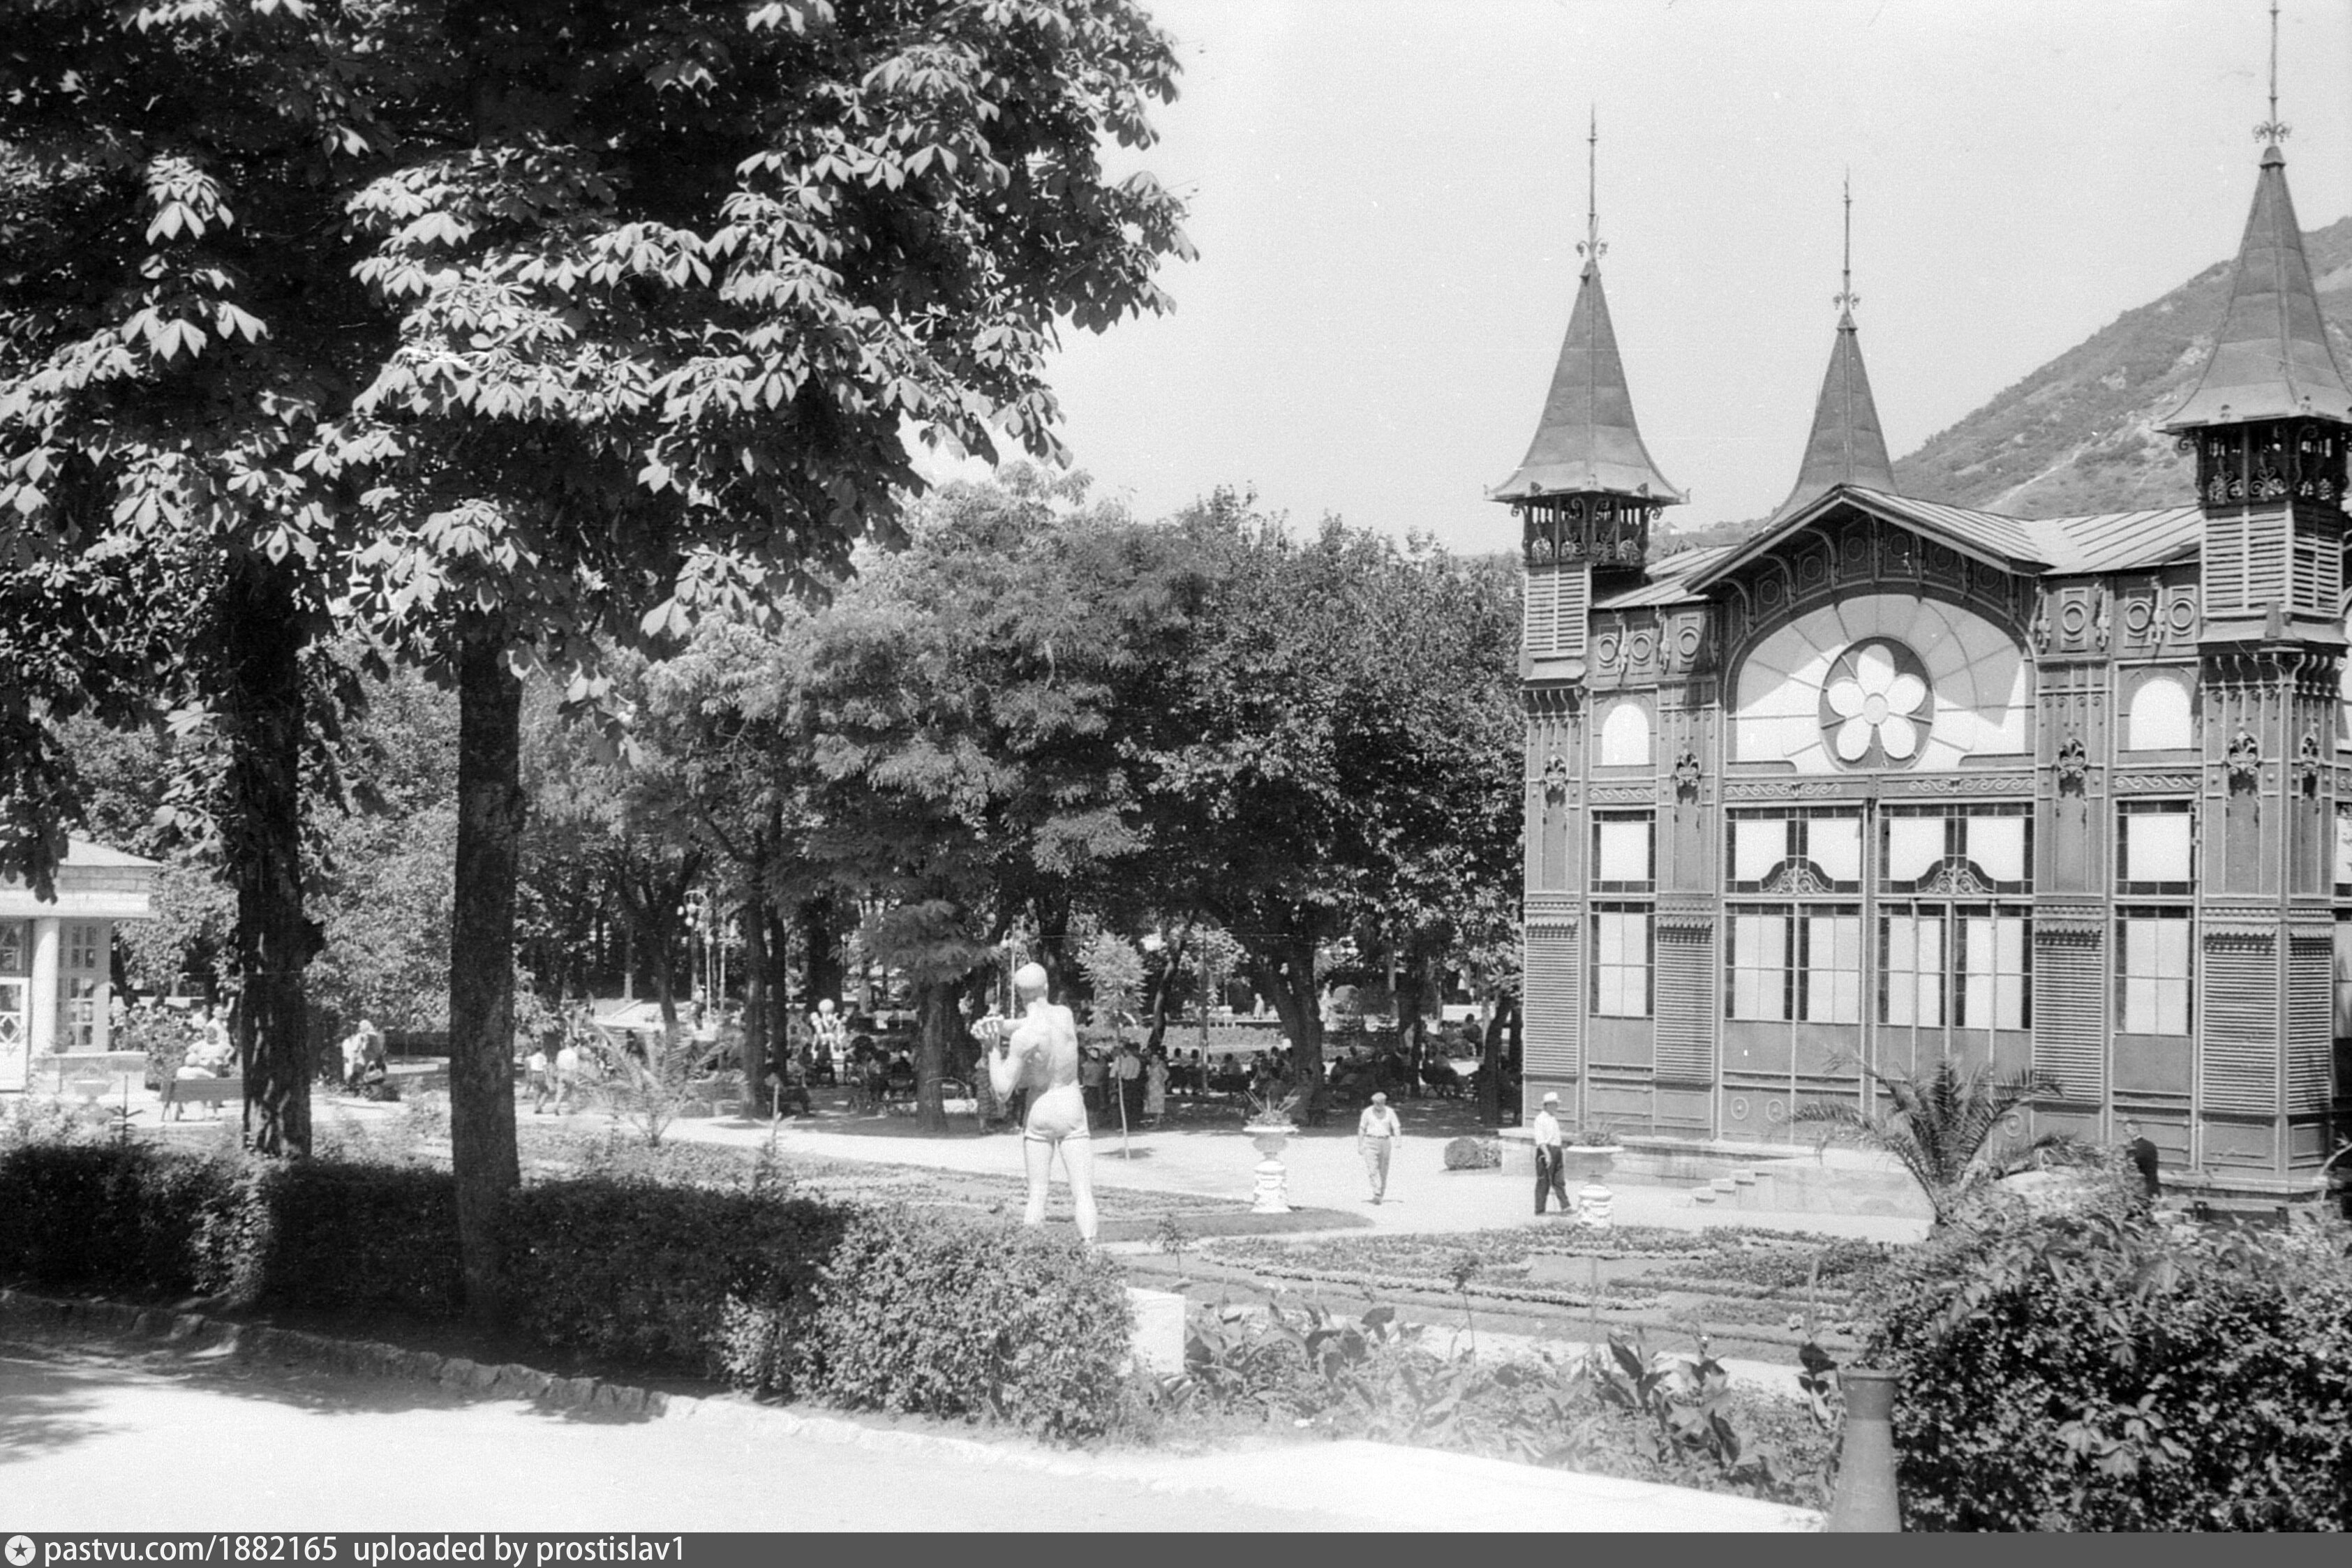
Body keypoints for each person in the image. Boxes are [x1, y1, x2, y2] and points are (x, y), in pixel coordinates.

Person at [979, 962, 1098, 1242]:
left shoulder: (1023, 1038)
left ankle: (1030, 1256)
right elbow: (1035, 1020)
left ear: (1019, 995)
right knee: (1083, 1192)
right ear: (1046, 987)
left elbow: (1003, 1090)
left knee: (1037, 1194)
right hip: (1070, 1104)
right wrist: (998, 1027)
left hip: (1041, 1106)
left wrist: (993, 1046)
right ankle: (1091, 1253)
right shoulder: (1064, 1015)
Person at [1357, 1091, 1403, 1204]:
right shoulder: (1367, 1112)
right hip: (1371, 1141)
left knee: (1383, 1169)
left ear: (1384, 1102)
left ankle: (1381, 1194)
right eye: (1377, 1103)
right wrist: (1360, 1144)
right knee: (1372, 1168)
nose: (1379, 1105)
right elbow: (1362, 1128)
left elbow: (1396, 1127)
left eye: (1381, 1103)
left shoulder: (1390, 1112)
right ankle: (1376, 1191)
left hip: (1385, 1141)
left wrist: (1398, 1139)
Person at [1531, 1091, 1570, 1214]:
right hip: (1547, 1150)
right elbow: (1540, 1139)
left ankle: (1565, 1206)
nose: (1556, 1107)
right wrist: (1547, 1154)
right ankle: (1540, 1209)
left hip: (1557, 1150)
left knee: (1559, 1180)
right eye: (1554, 1105)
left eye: (1556, 1104)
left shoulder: (1553, 1119)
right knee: (1544, 1181)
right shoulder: (1540, 1119)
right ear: (1547, 1105)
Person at [2122, 1119, 2161, 1204]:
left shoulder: (2134, 1148)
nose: (2125, 1133)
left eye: (2126, 1130)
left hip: (2139, 1190)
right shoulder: (2150, 1145)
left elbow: (2130, 1167)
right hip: (2152, 1187)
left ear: (2135, 1130)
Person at [524, 1040, 553, 1114]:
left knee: (536, 1092)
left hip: (534, 1074)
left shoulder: (533, 1057)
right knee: (546, 1091)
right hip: (541, 1074)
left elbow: (531, 1068)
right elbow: (544, 1067)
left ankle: (536, 1108)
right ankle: (540, 1104)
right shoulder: (543, 1057)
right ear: (542, 1049)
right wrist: (547, 1078)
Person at [1143, 1048, 1168, 1126]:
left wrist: (1162, 1081)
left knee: (1158, 1105)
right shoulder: (1149, 1067)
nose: (1155, 1060)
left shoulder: (1159, 1067)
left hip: (1158, 1087)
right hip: (1151, 1087)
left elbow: (1167, 1074)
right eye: (1153, 1058)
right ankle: (1154, 1121)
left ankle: (1157, 1122)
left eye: (1156, 1058)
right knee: (1151, 1104)